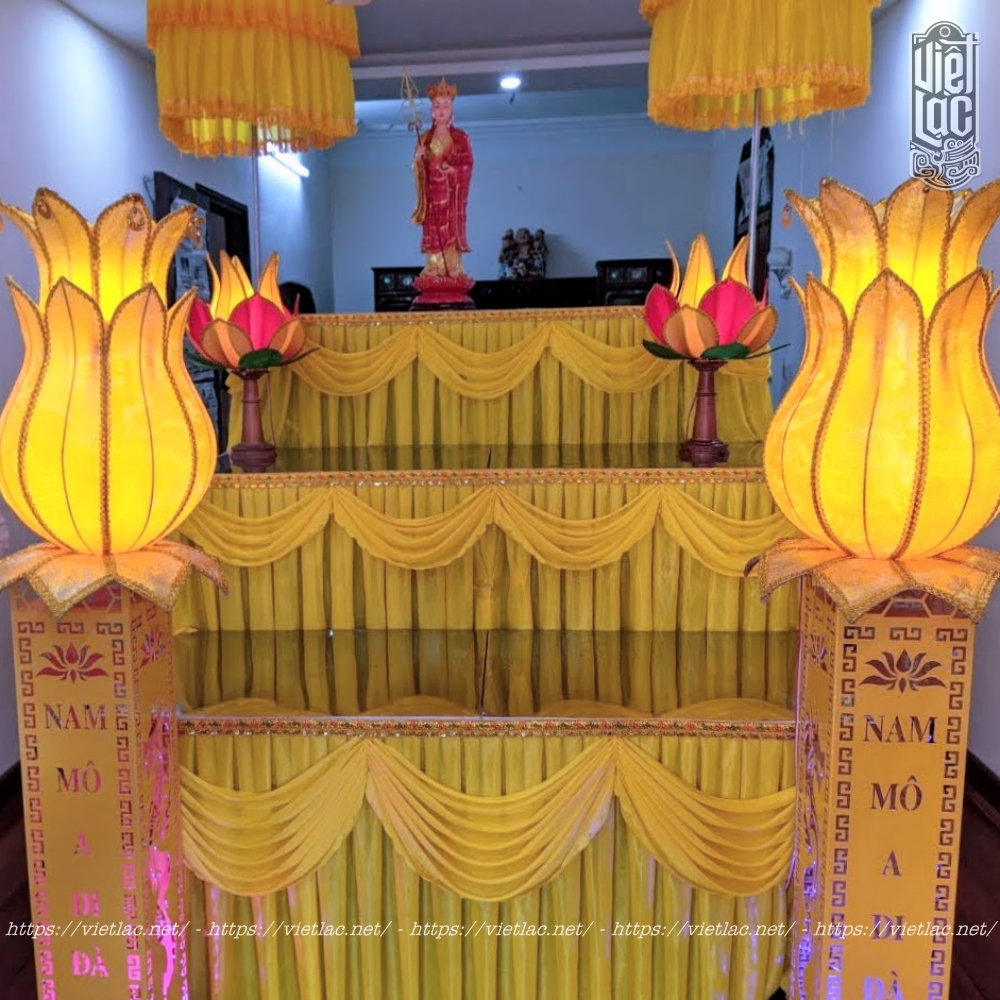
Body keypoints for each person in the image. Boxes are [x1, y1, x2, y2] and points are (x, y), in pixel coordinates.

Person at [411, 79, 473, 278]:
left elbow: (468, 165)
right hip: (433, 195)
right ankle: (434, 266)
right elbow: (419, 170)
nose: (441, 110)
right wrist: (419, 159)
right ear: (432, 110)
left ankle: (452, 266)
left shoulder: (461, 138)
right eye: (437, 106)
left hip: (452, 194)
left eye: (445, 105)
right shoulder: (424, 139)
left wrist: (453, 170)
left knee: (451, 231)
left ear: (452, 109)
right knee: (433, 230)